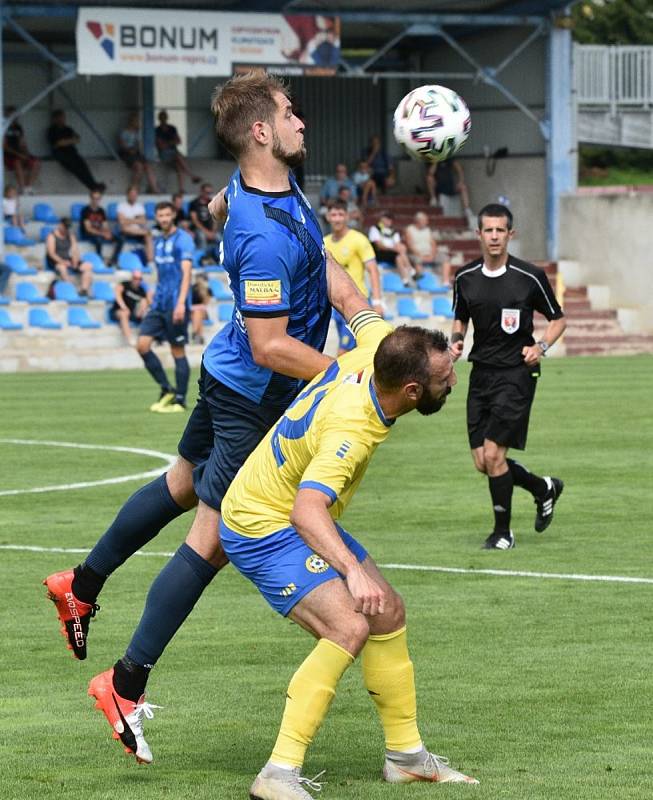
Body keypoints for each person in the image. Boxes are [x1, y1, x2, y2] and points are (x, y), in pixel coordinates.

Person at [43, 74, 368, 752]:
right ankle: (125, 684)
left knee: (184, 481)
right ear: (260, 132)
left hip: (228, 376)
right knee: (214, 536)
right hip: (250, 395)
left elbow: (280, 237)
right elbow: (270, 344)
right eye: (288, 113)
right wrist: (347, 375)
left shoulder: (272, 189)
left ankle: (81, 582)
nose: (301, 123)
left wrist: (362, 316)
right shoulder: (261, 234)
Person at [217, 315, 476, 797]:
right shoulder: (350, 432)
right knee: (349, 625)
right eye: (445, 378)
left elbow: (350, 298)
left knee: (388, 612)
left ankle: (407, 758)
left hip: (283, 507)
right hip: (261, 523)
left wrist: (317, 249)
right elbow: (307, 510)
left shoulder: (378, 348)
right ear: (414, 391)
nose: (454, 381)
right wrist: (352, 573)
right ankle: (277, 775)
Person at [451, 203, 567, 550]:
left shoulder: (529, 276)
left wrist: (541, 347)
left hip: (517, 374)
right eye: (488, 230)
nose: (495, 236)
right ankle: (542, 487)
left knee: (494, 455)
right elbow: (460, 318)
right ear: (479, 234)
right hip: (481, 374)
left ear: (510, 234)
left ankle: (503, 533)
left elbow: (558, 319)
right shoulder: (465, 277)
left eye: (501, 230)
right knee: (482, 462)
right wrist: (456, 341)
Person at [136, 201, 193, 414]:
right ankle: (166, 389)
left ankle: (180, 399)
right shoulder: (159, 241)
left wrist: (180, 303)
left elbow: (187, 273)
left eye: (167, 215)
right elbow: (160, 274)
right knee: (142, 345)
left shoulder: (183, 240)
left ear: (173, 215)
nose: (164, 219)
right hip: (159, 303)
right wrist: (150, 297)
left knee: (177, 350)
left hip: (175, 304)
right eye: (160, 215)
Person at [324, 198, 383, 353]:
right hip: (334, 307)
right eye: (334, 215)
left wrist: (377, 301)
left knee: (342, 352)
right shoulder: (324, 243)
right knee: (355, 353)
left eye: (340, 214)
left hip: (356, 303)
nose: (337, 219)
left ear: (347, 217)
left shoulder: (359, 240)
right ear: (328, 217)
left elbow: (373, 270)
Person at [46, 110, 105, 192]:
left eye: (63, 117)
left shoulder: (68, 129)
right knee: (76, 169)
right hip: (60, 154)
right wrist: (70, 141)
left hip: (72, 153)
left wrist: (66, 141)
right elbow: (58, 143)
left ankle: (94, 184)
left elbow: (77, 139)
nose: (62, 119)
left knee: (83, 166)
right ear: (55, 119)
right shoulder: (51, 130)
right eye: (60, 117)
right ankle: (92, 187)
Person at [155, 110, 201, 191]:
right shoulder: (157, 130)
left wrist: (168, 143)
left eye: (164, 117)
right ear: (159, 118)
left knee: (179, 166)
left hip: (173, 153)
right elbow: (161, 146)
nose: (163, 119)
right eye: (162, 117)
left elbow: (179, 141)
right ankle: (191, 175)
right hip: (164, 154)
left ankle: (181, 189)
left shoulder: (172, 128)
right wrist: (171, 142)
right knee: (178, 156)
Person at [45, 218, 93, 296]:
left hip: (67, 259)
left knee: (88, 266)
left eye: (67, 228)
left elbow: (75, 250)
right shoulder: (51, 236)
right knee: (62, 268)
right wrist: (62, 262)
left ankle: (84, 290)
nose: (66, 230)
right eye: (65, 227)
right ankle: (71, 290)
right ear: (60, 225)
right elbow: (51, 253)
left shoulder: (70, 235)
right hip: (55, 261)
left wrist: (75, 261)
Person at [404, 211, 452, 286]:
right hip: (416, 254)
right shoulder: (409, 229)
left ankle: (446, 282)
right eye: (425, 220)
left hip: (429, 254)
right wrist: (421, 256)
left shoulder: (427, 230)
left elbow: (433, 244)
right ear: (418, 221)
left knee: (445, 258)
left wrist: (432, 255)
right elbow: (410, 246)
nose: (427, 222)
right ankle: (421, 283)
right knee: (417, 260)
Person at [368, 211, 413, 286]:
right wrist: (393, 249)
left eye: (390, 219)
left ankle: (405, 279)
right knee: (398, 254)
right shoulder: (375, 229)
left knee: (399, 255)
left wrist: (399, 248)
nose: (389, 221)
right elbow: (379, 245)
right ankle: (410, 269)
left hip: (393, 253)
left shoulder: (394, 232)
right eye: (387, 219)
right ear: (382, 219)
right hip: (379, 253)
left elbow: (397, 244)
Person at [118, 112, 160, 193]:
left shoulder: (137, 133)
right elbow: (122, 145)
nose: (137, 123)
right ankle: (134, 188)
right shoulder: (124, 132)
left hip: (136, 153)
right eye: (136, 121)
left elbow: (139, 145)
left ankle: (154, 188)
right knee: (139, 167)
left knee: (148, 166)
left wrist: (136, 148)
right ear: (131, 121)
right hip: (126, 153)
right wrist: (129, 150)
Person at [80, 189, 123, 265]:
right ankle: (99, 259)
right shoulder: (85, 210)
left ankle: (114, 260)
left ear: (100, 199)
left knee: (120, 239)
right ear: (90, 198)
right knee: (99, 240)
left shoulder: (101, 211)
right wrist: (103, 234)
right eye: (94, 198)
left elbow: (105, 225)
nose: (96, 201)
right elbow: (88, 229)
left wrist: (108, 233)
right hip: (88, 234)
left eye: (98, 199)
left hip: (99, 233)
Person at [426, 159, 474, 227]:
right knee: (429, 178)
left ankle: (467, 209)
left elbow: (459, 168)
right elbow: (430, 172)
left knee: (463, 187)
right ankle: (433, 198)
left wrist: (461, 180)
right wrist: (436, 161)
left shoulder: (448, 158)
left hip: (450, 187)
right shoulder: (433, 160)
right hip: (439, 188)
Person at [3, 107, 40, 193]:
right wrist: (19, 155)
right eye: (11, 114)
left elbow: (22, 143)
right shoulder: (3, 127)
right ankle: (22, 188)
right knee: (17, 162)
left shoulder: (18, 127)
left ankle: (29, 187)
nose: (14, 117)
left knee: (36, 162)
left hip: (19, 154)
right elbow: (5, 146)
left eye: (15, 115)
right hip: (8, 155)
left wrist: (26, 154)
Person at [109, 270, 150, 345]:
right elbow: (117, 294)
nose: (137, 280)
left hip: (132, 312)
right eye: (135, 278)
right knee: (124, 313)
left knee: (146, 309)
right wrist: (124, 307)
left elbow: (147, 301)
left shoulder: (141, 290)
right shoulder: (124, 284)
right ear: (132, 278)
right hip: (117, 311)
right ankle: (130, 339)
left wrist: (142, 310)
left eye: (139, 279)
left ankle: (151, 338)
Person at [117, 186, 154, 264]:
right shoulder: (121, 206)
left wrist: (128, 219)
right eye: (131, 194)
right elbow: (122, 222)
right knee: (125, 228)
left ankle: (150, 262)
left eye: (135, 195)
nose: (133, 197)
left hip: (138, 231)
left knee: (149, 236)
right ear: (127, 195)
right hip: (126, 231)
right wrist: (136, 219)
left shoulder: (140, 206)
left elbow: (143, 221)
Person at [189, 182, 219, 249]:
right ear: (201, 192)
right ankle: (204, 257)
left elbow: (215, 218)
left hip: (210, 230)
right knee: (202, 236)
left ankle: (220, 258)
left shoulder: (212, 202)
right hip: (198, 230)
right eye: (207, 192)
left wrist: (213, 232)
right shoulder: (193, 203)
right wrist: (206, 232)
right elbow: (195, 221)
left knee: (220, 238)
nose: (208, 194)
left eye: (210, 192)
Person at [190, 273, 212, 345]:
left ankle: (194, 332)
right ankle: (199, 336)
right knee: (197, 312)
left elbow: (206, 303)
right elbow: (190, 302)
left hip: (202, 311)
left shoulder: (208, 289)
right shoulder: (192, 288)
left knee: (198, 312)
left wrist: (204, 291)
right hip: (192, 310)